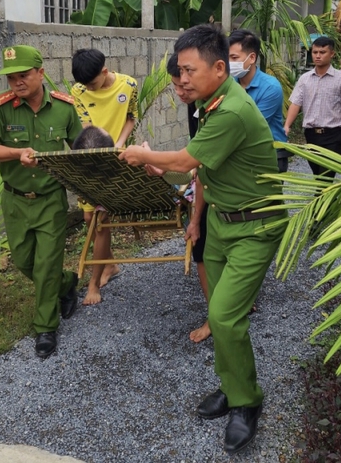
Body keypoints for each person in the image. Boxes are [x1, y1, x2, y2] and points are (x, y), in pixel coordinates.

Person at [119, 24, 285, 455]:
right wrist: (185, 199)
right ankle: (232, 387)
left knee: (227, 317)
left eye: (189, 71)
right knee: (217, 308)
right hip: (223, 222)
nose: (183, 79)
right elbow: (200, 170)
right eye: (179, 72)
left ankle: (247, 403)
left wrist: (142, 154)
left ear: (218, 67)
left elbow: (185, 158)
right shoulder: (212, 104)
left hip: (255, 227)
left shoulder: (231, 111)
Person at [0, 45, 82, 359]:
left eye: (23, 75)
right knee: (24, 261)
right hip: (16, 200)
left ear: (41, 73)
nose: (17, 82)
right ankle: (67, 284)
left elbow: (79, 148)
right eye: (11, 78)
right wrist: (16, 153)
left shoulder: (64, 107)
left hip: (51, 199)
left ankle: (45, 328)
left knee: (47, 263)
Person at [70, 48, 139, 305]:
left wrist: (118, 145)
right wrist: (96, 151)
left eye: (93, 83)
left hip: (114, 158)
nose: (88, 88)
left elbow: (132, 117)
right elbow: (85, 125)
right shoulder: (78, 91)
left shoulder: (129, 85)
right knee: (89, 217)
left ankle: (93, 283)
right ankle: (110, 264)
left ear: (105, 72)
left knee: (100, 219)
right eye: (84, 85)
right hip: (90, 155)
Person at [166, 53, 211, 344]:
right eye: (176, 87)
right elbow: (197, 157)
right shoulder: (195, 103)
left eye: (185, 85)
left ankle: (229, 307)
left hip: (231, 194)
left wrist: (152, 160)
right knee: (201, 248)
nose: (181, 93)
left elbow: (193, 159)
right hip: (207, 187)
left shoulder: (224, 107)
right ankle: (215, 314)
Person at [284, 36, 341, 179]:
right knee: (317, 174)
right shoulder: (304, 79)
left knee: (325, 175)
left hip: (333, 135)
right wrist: (287, 125)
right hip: (311, 134)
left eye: (322, 52)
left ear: (332, 54)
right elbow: (295, 103)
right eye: (315, 52)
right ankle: (326, 199)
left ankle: (320, 199)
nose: (317, 56)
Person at [228, 29, 289, 172]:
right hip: (240, 155)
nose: (229, 63)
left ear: (252, 58)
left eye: (234, 58)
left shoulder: (270, 87)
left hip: (269, 155)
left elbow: (250, 127)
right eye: (227, 58)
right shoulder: (229, 83)